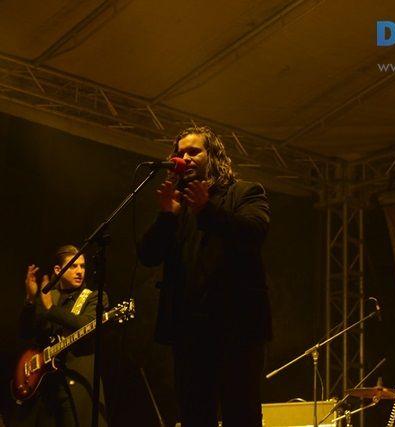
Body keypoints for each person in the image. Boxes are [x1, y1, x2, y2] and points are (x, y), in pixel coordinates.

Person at [138, 126, 271, 426]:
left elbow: (253, 232)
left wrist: (207, 210)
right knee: (194, 416)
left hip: (237, 330)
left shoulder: (246, 192)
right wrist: (166, 216)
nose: (184, 158)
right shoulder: (178, 206)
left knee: (241, 414)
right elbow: (147, 256)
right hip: (189, 333)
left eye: (193, 151)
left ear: (214, 156)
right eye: (180, 153)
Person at [12, 245, 108, 427]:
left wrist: (52, 310)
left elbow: (85, 325)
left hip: (75, 387)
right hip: (44, 389)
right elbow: (25, 333)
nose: (80, 271)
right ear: (58, 270)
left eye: (83, 266)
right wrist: (30, 301)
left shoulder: (94, 297)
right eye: (73, 266)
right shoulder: (49, 296)